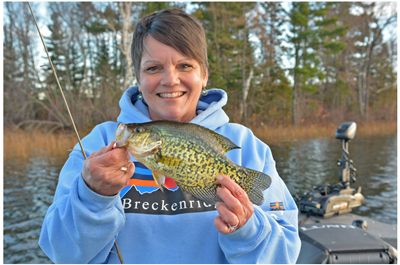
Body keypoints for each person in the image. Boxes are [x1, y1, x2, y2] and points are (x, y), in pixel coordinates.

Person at [39, 8, 301, 264]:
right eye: (153, 68)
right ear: (138, 79)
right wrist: (93, 195)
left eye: (185, 65)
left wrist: (247, 228)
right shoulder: (97, 146)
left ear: (204, 75)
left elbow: (285, 256)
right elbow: (61, 254)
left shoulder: (247, 148)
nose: (170, 79)